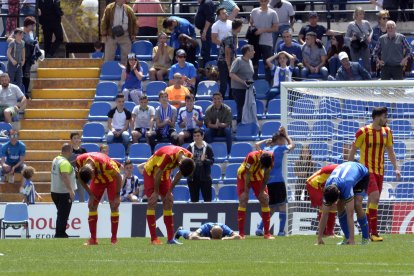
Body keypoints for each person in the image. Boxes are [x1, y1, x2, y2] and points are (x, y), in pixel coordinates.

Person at [348, 106, 400, 242]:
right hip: (366, 171)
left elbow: (390, 151)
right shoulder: (363, 131)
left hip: (380, 171)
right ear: (377, 117)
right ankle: (374, 233)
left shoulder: (387, 132)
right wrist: (349, 166)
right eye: (384, 116)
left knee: (372, 201)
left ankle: (367, 231)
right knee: (375, 197)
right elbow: (353, 149)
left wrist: (396, 168)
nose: (386, 119)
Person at [143, 145, 195, 244]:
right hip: (151, 171)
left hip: (164, 172)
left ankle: (170, 239)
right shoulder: (168, 156)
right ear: (179, 163)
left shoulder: (189, 157)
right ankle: (154, 239)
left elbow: (179, 174)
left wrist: (169, 191)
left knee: (168, 202)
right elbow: (158, 173)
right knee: (152, 202)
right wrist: (156, 192)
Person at [317, 162, 370, 245]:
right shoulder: (328, 186)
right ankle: (347, 237)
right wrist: (319, 239)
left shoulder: (346, 185)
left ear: (338, 193)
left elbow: (350, 214)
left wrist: (352, 241)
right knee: (340, 206)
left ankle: (366, 238)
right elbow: (324, 214)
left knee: (357, 205)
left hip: (362, 175)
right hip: (346, 175)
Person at [254, 127, 294, 236]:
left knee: (270, 208)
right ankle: (281, 231)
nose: (283, 142)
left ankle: (260, 228)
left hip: (267, 183)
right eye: (282, 140)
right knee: (282, 206)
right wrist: (286, 135)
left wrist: (266, 141)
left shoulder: (265, 151)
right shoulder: (279, 149)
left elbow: (257, 145)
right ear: (279, 140)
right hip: (278, 182)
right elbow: (292, 146)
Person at [76, 152, 123, 245]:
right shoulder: (79, 160)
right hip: (98, 182)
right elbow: (80, 177)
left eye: (92, 177)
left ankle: (114, 239)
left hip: (111, 179)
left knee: (114, 206)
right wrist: (90, 194)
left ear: (93, 170)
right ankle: (93, 239)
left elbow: (118, 177)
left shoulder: (104, 163)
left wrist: (117, 196)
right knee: (91, 206)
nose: (92, 178)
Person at [237, 149, 275, 239]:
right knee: (243, 200)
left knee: (265, 200)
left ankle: (267, 234)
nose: (263, 168)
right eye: (262, 166)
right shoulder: (252, 157)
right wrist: (246, 192)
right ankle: (241, 234)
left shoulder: (271, 157)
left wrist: (262, 191)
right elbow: (248, 174)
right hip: (244, 175)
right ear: (259, 160)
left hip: (258, 176)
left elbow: (266, 175)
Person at [51, 143, 76, 238]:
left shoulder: (56, 159)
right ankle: (60, 234)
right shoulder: (64, 162)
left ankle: (60, 232)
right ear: (69, 150)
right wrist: (71, 190)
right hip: (63, 193)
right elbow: (65, 176)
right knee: (63, 215)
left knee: (61, 213)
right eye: (71, 150)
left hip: (54, 191)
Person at [306, 164, 339, 237]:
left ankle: (330, 232)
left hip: (321, 185)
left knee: (333, 206)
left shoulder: (340, 168)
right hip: (313, 185)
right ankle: (324, 233)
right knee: (324, 207)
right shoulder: (339, 170)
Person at [249, 0, 279, 82]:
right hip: (255, 42)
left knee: (267, 64)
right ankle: (253, 83)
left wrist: (263, 30)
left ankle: (268, 83)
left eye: (265, 1)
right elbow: (250, 24)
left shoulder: (273, 13)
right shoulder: (254, 11)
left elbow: (276, 28)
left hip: (267, 42)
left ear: (268, 1)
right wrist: (253, 30)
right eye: (261, 0)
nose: (263, 2)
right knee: (254, 63)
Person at [101, 0, 137, 65]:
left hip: (125, 35)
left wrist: (133, 34)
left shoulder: (128, 9)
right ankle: (108, 72)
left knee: (127, 57)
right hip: (112, 35)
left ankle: (126, 73)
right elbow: (104, 21)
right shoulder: (109, 8)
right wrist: (104, 35)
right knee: (108, 56)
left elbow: (134, 22)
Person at [217, 18, 243, 99]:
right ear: (238, 27)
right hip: (224, 63)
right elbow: (227, 52)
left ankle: (232, 100)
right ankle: (221, 100)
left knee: (232, 83)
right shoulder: (230, 36)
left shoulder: (234, 35)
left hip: (230, 62)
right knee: (224, 84)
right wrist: (229, 66)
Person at [186, 128, 214, 202]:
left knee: (207, 201)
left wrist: (204, 160)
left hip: (205, 178)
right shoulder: (189, 147)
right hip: (193, 178)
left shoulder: (208, 147)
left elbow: (212, 161)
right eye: (194, 136)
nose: (196, 138)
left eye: (198, 136)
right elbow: (185, 161)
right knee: (194, 201)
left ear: (202, 136)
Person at [229, 44, 255, 124]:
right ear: (247, 52)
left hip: (248, 89)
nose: (254, 52)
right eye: (252, 50)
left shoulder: (250, 61)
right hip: (238, 89)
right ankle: (240, 125)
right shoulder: (238, 61)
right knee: (241, 108)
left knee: (249, 108)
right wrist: (243, 82)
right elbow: (231, 74)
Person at [345, 7, 373, 73]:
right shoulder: (351, 24)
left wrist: (370, 37)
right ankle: (355, 79)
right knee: (355, 64)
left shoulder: (366, 23)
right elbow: (346, 37)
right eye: (360, 14)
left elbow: (371, 30)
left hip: (364, 45)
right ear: (356, 15)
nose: (362, 16)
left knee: (367, 64)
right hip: (355, 46)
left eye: (362, 14)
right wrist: (352, 38)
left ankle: (368, 79)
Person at [194, 0, 215, 66]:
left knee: (206, 51)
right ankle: (204, 68)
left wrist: (205, 31)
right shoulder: (203, 3)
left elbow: (209, 18)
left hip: (207, 29)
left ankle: (206, 68)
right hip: (204, 29)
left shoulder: (207, 3)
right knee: (204, 50)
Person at [21, 17, 38, 97]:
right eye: (32, 25)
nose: (33, 27)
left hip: (28, 58)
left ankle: (25, 93)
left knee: (27, 76)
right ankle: (20, 94)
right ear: (27, 25)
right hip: (20, 57)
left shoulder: (31, 33)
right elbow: (9, 39)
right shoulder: (20, 31)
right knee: (19, 76)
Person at [68, 132, 87, 202]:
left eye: (77, 138)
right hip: (71, 177)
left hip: (81, 177)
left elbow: (86, 162)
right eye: (74, 138)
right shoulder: (68, 150)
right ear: (71, 140)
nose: (76, 140)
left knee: (82, 198)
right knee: (71, 198)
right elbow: (66, 163)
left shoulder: (83, 150)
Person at [175, 222, 241, 240]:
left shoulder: (224, 228)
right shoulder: (205, 227)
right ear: (210, 232)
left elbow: (238, 236)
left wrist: (226, 238)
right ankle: (180, 231)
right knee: (190, 236)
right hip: (203, 235)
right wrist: (206, 238)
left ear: (222, 233)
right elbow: (193, 237)